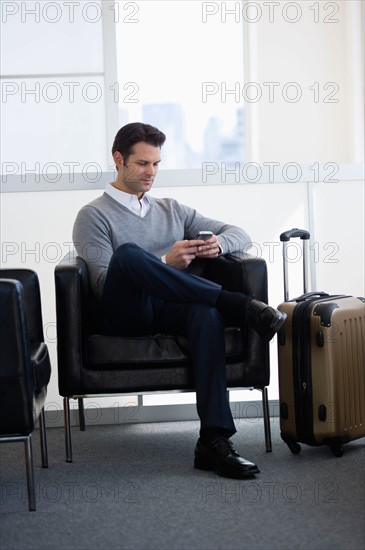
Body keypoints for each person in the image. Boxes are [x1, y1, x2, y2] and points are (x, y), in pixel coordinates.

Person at [73, 122, 286, 480]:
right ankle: (237, 304)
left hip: (172, 307)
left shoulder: (173, 210)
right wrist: (163, 263)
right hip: (127, 311)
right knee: (128, 255)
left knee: (206, 315)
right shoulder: (92, 215)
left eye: (156, 164)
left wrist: (219, 245)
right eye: (142, 164)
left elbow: (240, 233)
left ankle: (214, 441)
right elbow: (102, 282)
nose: (150, 173)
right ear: (118, 160)